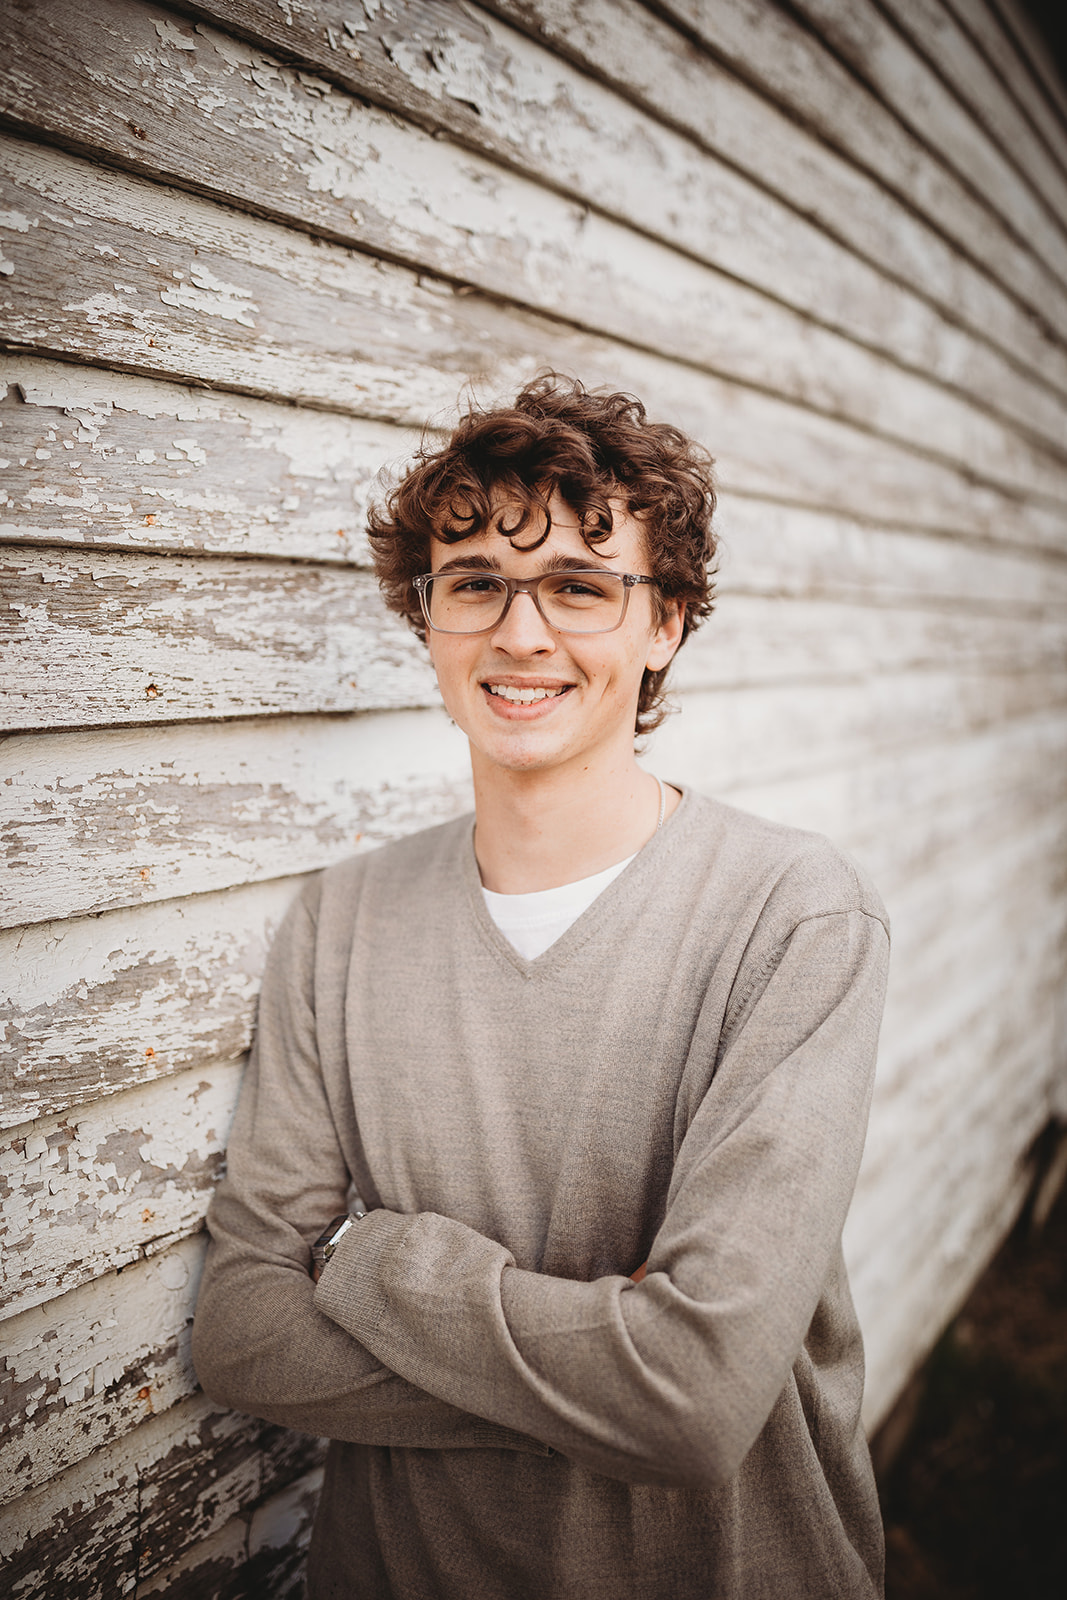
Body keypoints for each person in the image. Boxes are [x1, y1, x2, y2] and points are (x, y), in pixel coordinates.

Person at [192, 374, 890, 1598]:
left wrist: (367, 1263)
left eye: (578, 585)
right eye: (474, 586)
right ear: (428, 619)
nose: (520, 635)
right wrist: (604, 1367)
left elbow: (690, 1400)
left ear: (663, 621)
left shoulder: (793, 915)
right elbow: (244, 1333)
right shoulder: (340, 921)